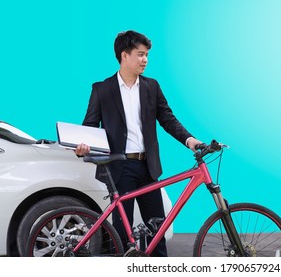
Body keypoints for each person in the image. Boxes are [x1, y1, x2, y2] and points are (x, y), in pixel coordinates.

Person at [75, 30, 201, 256]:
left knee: (157, 229)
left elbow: (167, 118)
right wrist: (83, 146)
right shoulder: (102, 89)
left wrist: (189, 140)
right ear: (125, 56)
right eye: (140, 54)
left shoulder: (151, 86)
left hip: (148, 166)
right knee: (122, 235)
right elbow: (90, 126)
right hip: (119, 168)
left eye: (147, 55)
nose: (145, 60)